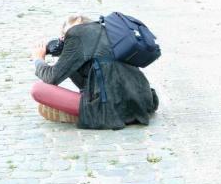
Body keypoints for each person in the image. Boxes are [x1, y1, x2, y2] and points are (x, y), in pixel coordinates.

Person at [30, 14, 159, 130]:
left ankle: (82, 113)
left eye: (65, 35)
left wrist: (38, 59)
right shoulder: (107, 32)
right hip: (143, 102)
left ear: (79, 20)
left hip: (109, 110)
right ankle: (79, 107)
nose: (64, 39)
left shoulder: (77, 33)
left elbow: (51, 77)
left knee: (38, 89)